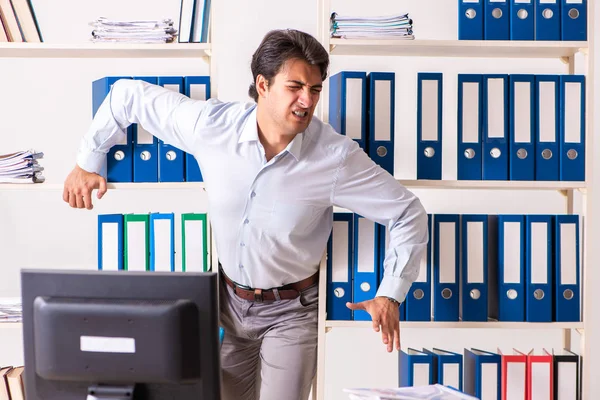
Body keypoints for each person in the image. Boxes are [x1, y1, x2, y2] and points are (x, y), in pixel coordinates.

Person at [63, 29, 428, 400]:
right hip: (225, 303)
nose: (307, 100)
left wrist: (391, 293)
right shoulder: (211, 127)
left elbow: (407, 212)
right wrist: (86, 162)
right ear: (263, 85)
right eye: (295, 86)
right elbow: (127, 95)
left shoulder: (334, 157)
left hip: (292, 312)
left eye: (315, 89)